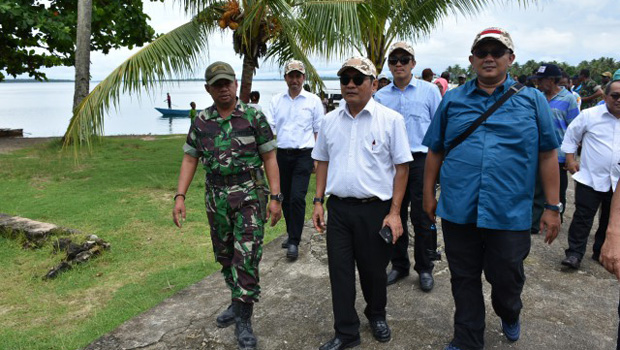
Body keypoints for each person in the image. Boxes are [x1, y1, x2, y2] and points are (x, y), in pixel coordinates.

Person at [422, 27, 561, 350]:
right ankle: (468, 338)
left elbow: (547, 154)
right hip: (459, 206)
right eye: (481, 52)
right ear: (471, 60)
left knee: (506, 278)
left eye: (496, 52)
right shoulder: (453, 99)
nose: (488, 58)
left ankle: (509, 312)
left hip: (509, 210)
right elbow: (435, 150)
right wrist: (429, 193)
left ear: (510, 59)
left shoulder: (533, 100)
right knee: (464, 277)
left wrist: (553, 207)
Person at [172, 61, 283, 350]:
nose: (224, 88)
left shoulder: (253, 117)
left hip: (248, 192)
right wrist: (180, 196)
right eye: (217, 84)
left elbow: (270, 158)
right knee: (224, 254)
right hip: (216, 196)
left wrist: (275, 198)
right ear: (208, 89)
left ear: (235, 83)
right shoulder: (201, 121)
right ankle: (236, 301)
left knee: (245, 255)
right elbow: (190, 158)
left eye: (227, 83)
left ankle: (244, 318)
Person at [312, 56, 411, 350]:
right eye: (345, 80)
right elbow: (322, 161)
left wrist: (394, 213)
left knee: (373, 271)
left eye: (358, 79)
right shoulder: (329, 121)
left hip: (375, 209)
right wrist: (318, 201)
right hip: (339, 209)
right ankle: (346, 332)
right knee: (339, 273)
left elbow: (402, 168)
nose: (351, 84)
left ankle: (376, 314)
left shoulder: (391, 120)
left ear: (374, 84)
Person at [374, 41, 442, 292]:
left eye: (404, 59)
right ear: (389, 65)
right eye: (394, 60)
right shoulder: (380, 96)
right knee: (394, 214)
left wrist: (440, 166)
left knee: (423, 216)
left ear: (414, 63)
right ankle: (399, 265)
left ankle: (424, 267)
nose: (399, 64)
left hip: (422, 160)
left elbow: (438, 128)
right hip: (392, 164)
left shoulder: (429, 91)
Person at [267, 59, 324, 261]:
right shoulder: (276, 100)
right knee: (286, 198)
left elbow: (319, 130)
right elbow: (270, 129)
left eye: (298, 76)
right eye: (291, 76)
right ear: (285, 78)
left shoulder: (313, 101)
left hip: (304, 154)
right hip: (282, 155)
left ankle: (294, 241)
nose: (294, 80)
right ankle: (292, 232)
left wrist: (317, 157)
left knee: (298, 197)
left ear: (303, 77)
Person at [560, 80, 620, 269]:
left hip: (617, 182)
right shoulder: (590, 115)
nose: (619, 100)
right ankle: (575, 254)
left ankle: (600, 251)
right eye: (615, 96)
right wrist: (570, 160)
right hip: (590, 178)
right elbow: (571, 136)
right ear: (605, 97)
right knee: (583, 217)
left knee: (609, 218)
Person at [529, 63, 579, 233]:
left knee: (558, 189)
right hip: (539, 152)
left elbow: (574, 129)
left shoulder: (569, 99)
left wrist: (571, 156)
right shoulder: (539, 97)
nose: (538, 84)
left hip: (559, 153)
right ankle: (534, 223)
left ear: (551, 80)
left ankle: (556, 219)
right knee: (537, 188)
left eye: (540, 80)